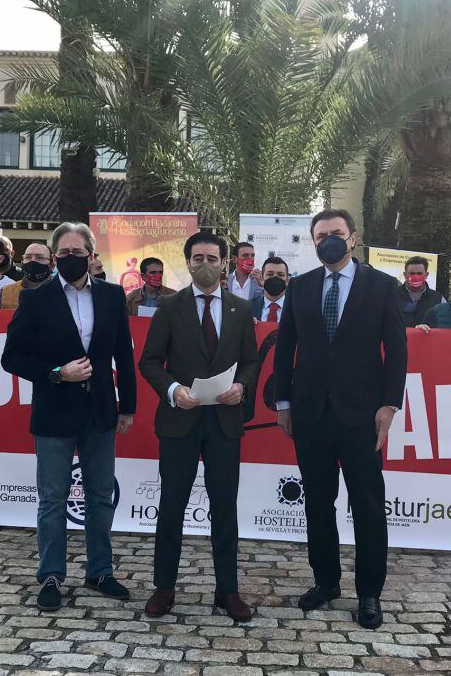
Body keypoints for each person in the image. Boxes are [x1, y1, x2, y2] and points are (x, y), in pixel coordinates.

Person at [274, 209, 407, 630]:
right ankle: (326, 582)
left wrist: (389, 404)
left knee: (368, 506)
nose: (328, 240)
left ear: (353, 238)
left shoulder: (382, 287)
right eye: (320, 235)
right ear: (313, 243)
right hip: (311, 413)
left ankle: (369, 593)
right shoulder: (301, 287)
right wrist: (282, 403)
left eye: (336, 233)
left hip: (362, 415)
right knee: (317, 503)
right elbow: (285, 348)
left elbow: (397, 351)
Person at [0, 222, 137, 611]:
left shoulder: (112, 296)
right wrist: (57, 373)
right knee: (53, 498)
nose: (71, 258)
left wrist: (128, 405)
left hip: (99, 412)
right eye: (63, 252)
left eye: (79, 252)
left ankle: (99, 571)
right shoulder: (36, 300)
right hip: (53, 411)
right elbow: (12, 357)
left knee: (99, 496)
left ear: (92, 256)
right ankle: (51, 576)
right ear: (54, 254)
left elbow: (123, 356)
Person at [138, 232, 260, 623]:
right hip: (180, 420)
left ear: (224, 262)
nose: (204, 263)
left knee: (225, 508)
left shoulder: (242, 309)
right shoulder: (170, 307)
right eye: (197, 258)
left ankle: (228, 591)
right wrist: (173, 390)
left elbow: (251, 362)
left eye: (211, 257)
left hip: (224, 422)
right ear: (187, 262)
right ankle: (164, 588)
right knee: (172, 506)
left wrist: (242, 385)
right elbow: (150, 361)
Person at [0, 243, 54, 310]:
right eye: (28, 257)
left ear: (52, 265)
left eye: (40, 257)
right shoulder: (4, 294)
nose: (32, 261)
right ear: (22, 263)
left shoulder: (63, 291)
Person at [397, 256, 443, 328]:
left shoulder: (438, 298)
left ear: (426, 275)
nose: (416, 277)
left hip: (427, 338)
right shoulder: (393, 294)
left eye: (419, 273)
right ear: (405, 275)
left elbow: (444, 323)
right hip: (399, 338)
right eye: (412, 273)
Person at [251, 257, 289, 322]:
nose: (275, 277)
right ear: (262, 279)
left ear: (287, 281)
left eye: (280, 275)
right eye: (270, 274)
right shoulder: (248, 307)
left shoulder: (298, 308)